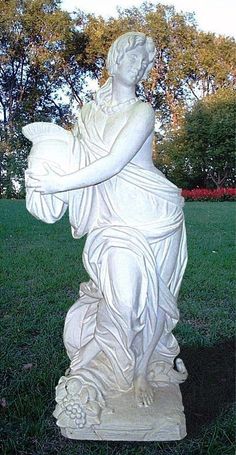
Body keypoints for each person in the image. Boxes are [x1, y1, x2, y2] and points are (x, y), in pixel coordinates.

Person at [26, 32, 187, 410]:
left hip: (155, 218)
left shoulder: (142, 112)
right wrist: (42, 178)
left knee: (152, 305)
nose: (140, 66)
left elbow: (112, 163)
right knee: (125, 299)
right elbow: (75, 157)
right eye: (133, 58)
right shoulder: (87, 115)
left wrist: (58, 183)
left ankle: (142, 370)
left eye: (146, 64)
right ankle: (114, 365)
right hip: (112, 223)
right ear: (114, 61)